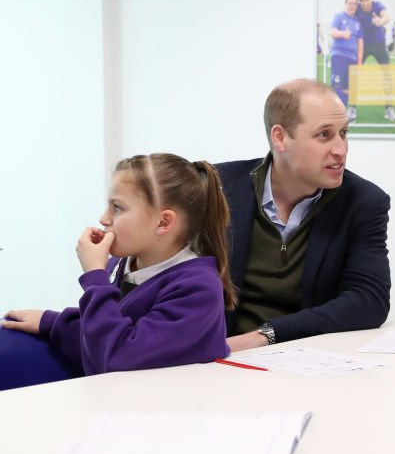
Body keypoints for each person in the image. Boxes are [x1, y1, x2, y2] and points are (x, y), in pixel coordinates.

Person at [2, 154, 233, 385]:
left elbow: (115, 360)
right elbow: (100, 335)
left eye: (117, 208)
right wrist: (52, 322)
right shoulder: (123, 265)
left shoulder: (198, 288)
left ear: (163, 223)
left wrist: (95, 276)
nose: (104, 218)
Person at [218, 79, 390, 352]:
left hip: (307, 360)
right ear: (280, 137)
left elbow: (369, 301)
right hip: (216, 362)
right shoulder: (218, 188)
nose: (340, 149)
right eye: (324, 135)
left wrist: (266, 335)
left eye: (343, 133)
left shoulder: (364, 201)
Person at [354, 0, 395, 122]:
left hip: (379, 45)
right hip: (363, 45)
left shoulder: (378, 6)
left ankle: (389, 109)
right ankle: (352, 108)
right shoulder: (357, 10)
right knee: (355, 75)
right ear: (359, 0)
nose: (365, 3)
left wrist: (381, 21)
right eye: (363, 0)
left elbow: (386, 16)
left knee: (387, 76)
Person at [328, 0, 363, 108]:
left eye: (354, 3)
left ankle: (344, 112)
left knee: (348, 87)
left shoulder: (357, 22)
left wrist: (359, 61)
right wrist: (343, 34)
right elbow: (332, 32)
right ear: (345, 4)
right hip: (339, 56)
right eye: (350, 3)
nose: (352, 5)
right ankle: (335, 112)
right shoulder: (339, 17)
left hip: (352, 58)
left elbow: (360, 42)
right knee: (337, 86)